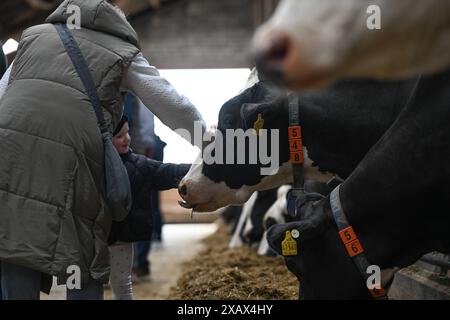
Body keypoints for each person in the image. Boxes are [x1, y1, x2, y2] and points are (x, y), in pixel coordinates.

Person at [0, 0, 204, 300]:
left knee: (15, 243)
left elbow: (4, 92)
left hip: (11, 153)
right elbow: (173, 105)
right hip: (75, 159)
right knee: (80, 254)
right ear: (118, 24)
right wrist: (216, 147)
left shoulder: (33, 36)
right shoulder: (123, 53)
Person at [108, 116, 189, 300]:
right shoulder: (91, 167)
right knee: (88, 284)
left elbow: (167, 171)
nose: (127, 138)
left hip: (120, 240)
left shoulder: (139, 165)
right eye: (120, 135)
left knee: (122, 284)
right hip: (92, 240)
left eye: (128, 132)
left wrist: (198, 169)